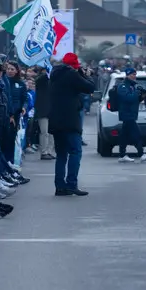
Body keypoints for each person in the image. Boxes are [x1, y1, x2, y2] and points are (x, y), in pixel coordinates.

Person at [47, 52, 96, 196]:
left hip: (56, 120)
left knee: (61, 154)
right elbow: (90, 88)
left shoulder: (54, 75)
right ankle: (71, 184)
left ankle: (60, 186)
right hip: (70, 120)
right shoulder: (71, 74)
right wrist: (85, 75)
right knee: (75, 152)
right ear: (73, 65)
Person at [114, 67, 146, 163]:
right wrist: (137, 92)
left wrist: (142, 97)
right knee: (136, 134)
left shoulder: (133, 86)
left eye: (135, 74)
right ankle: (141, 153)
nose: (134, 76)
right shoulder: (122, 86)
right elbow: (128, 99)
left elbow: (134, 100)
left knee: (124, 135)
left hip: (131, 113)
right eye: (132, 74)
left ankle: (122, 154)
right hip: (126, 114)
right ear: (127, 75)